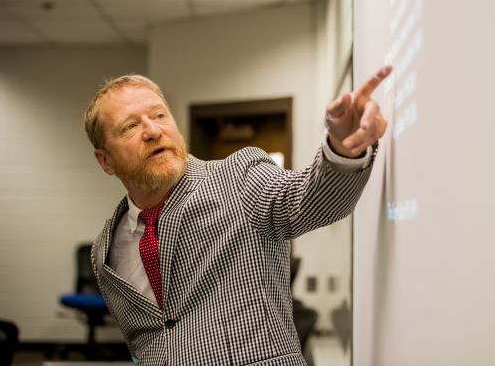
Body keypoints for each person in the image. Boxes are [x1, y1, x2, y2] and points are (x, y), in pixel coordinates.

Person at [85, 65, 392, 365]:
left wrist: (342, 150)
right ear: (105, 161)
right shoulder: (105, 249)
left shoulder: (239, 177)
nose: (152, 131)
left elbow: (311, 200)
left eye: (159, 115)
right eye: (130, 127)